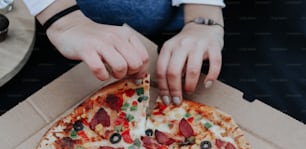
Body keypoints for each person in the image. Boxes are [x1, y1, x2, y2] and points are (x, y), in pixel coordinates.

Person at [23, 0, 225, 105]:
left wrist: (203, 18)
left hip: (177, 23)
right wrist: (63, 20)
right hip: (53, 29)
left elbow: (204, 16)